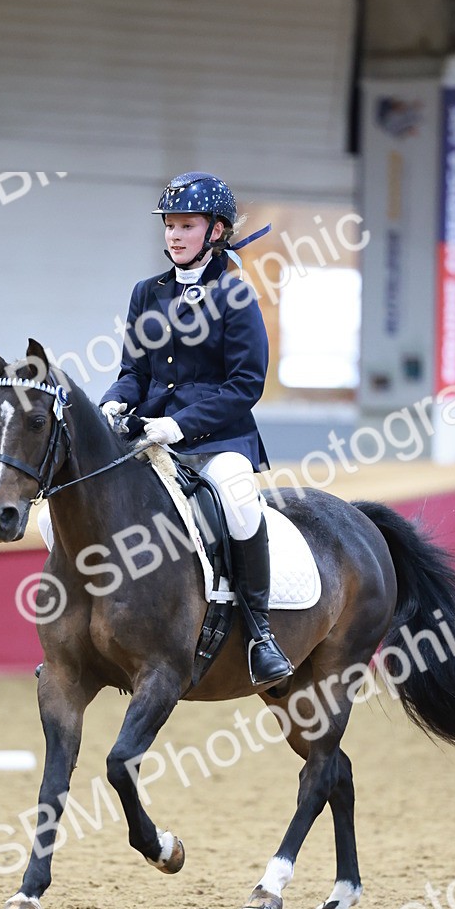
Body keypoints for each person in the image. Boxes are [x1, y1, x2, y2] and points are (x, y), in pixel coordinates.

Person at [99, 171, 293, 689]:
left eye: (186, 225)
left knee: (236, 498)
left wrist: (178, 426)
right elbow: (133, 372)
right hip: (149, 434)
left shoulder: (236, 296)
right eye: (169, 226)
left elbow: (245, 385)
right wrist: (114, 403)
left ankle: (260, 635)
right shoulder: (147, 293)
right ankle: (80, 630)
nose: (174, 235)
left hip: (218, 441)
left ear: (216, 231)